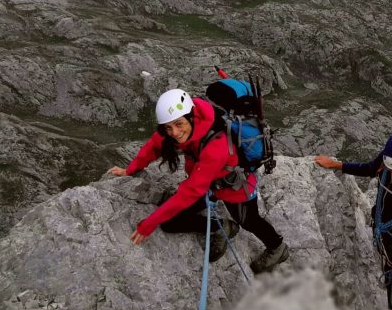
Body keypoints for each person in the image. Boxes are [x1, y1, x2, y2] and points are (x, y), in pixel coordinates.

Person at [108, 88, 289, 273]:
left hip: (234, 185)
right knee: (170, 222)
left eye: (179, 125)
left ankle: (277, 248)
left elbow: (190, 191)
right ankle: (222, 227)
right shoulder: (183, 123)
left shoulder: (216, 145)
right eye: (168, 127)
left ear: (192, 117)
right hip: (207, 182)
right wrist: (131, 169)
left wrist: (149, 224)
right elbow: (155, 145)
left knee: (249, 221)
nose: (175, 132)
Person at [314, 133, 392, 310]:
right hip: (385, 224)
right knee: (391, 259)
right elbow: (369, 169)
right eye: (391, 168)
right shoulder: (387, 160)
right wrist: (336, 165)